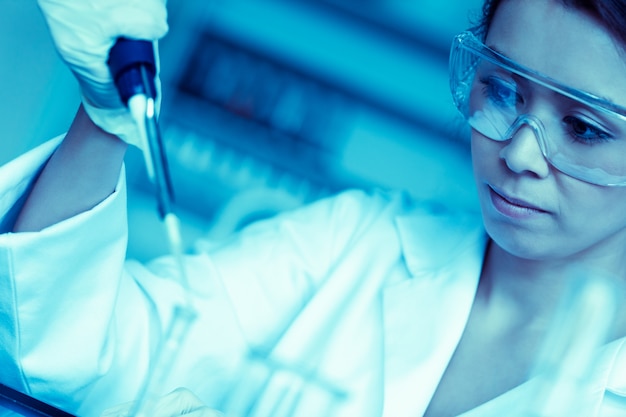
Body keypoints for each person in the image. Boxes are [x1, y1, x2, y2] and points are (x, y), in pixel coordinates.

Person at [1, 0, 626, 416]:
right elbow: (72, 354)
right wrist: (108, 112)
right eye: (503, 90)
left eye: (584, 129)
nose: (519, 151)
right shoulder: (356, 244)